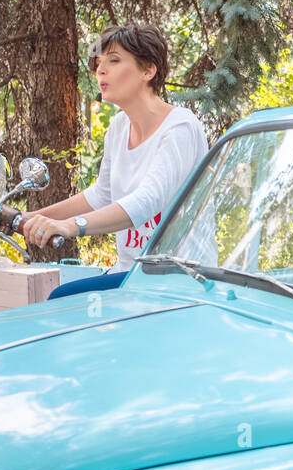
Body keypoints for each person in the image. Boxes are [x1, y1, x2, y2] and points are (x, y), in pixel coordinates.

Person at [21, 23, 209, 298]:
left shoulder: (180, 127)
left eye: (114, 60)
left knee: (62, 300)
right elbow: (102, 194)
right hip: (132, 274)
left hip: (179, 279)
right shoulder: (119, 128)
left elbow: (148, 200)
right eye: (98, 63)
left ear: (148, 70)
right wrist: (32, 217)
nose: (101, 70)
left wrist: (70, 227)